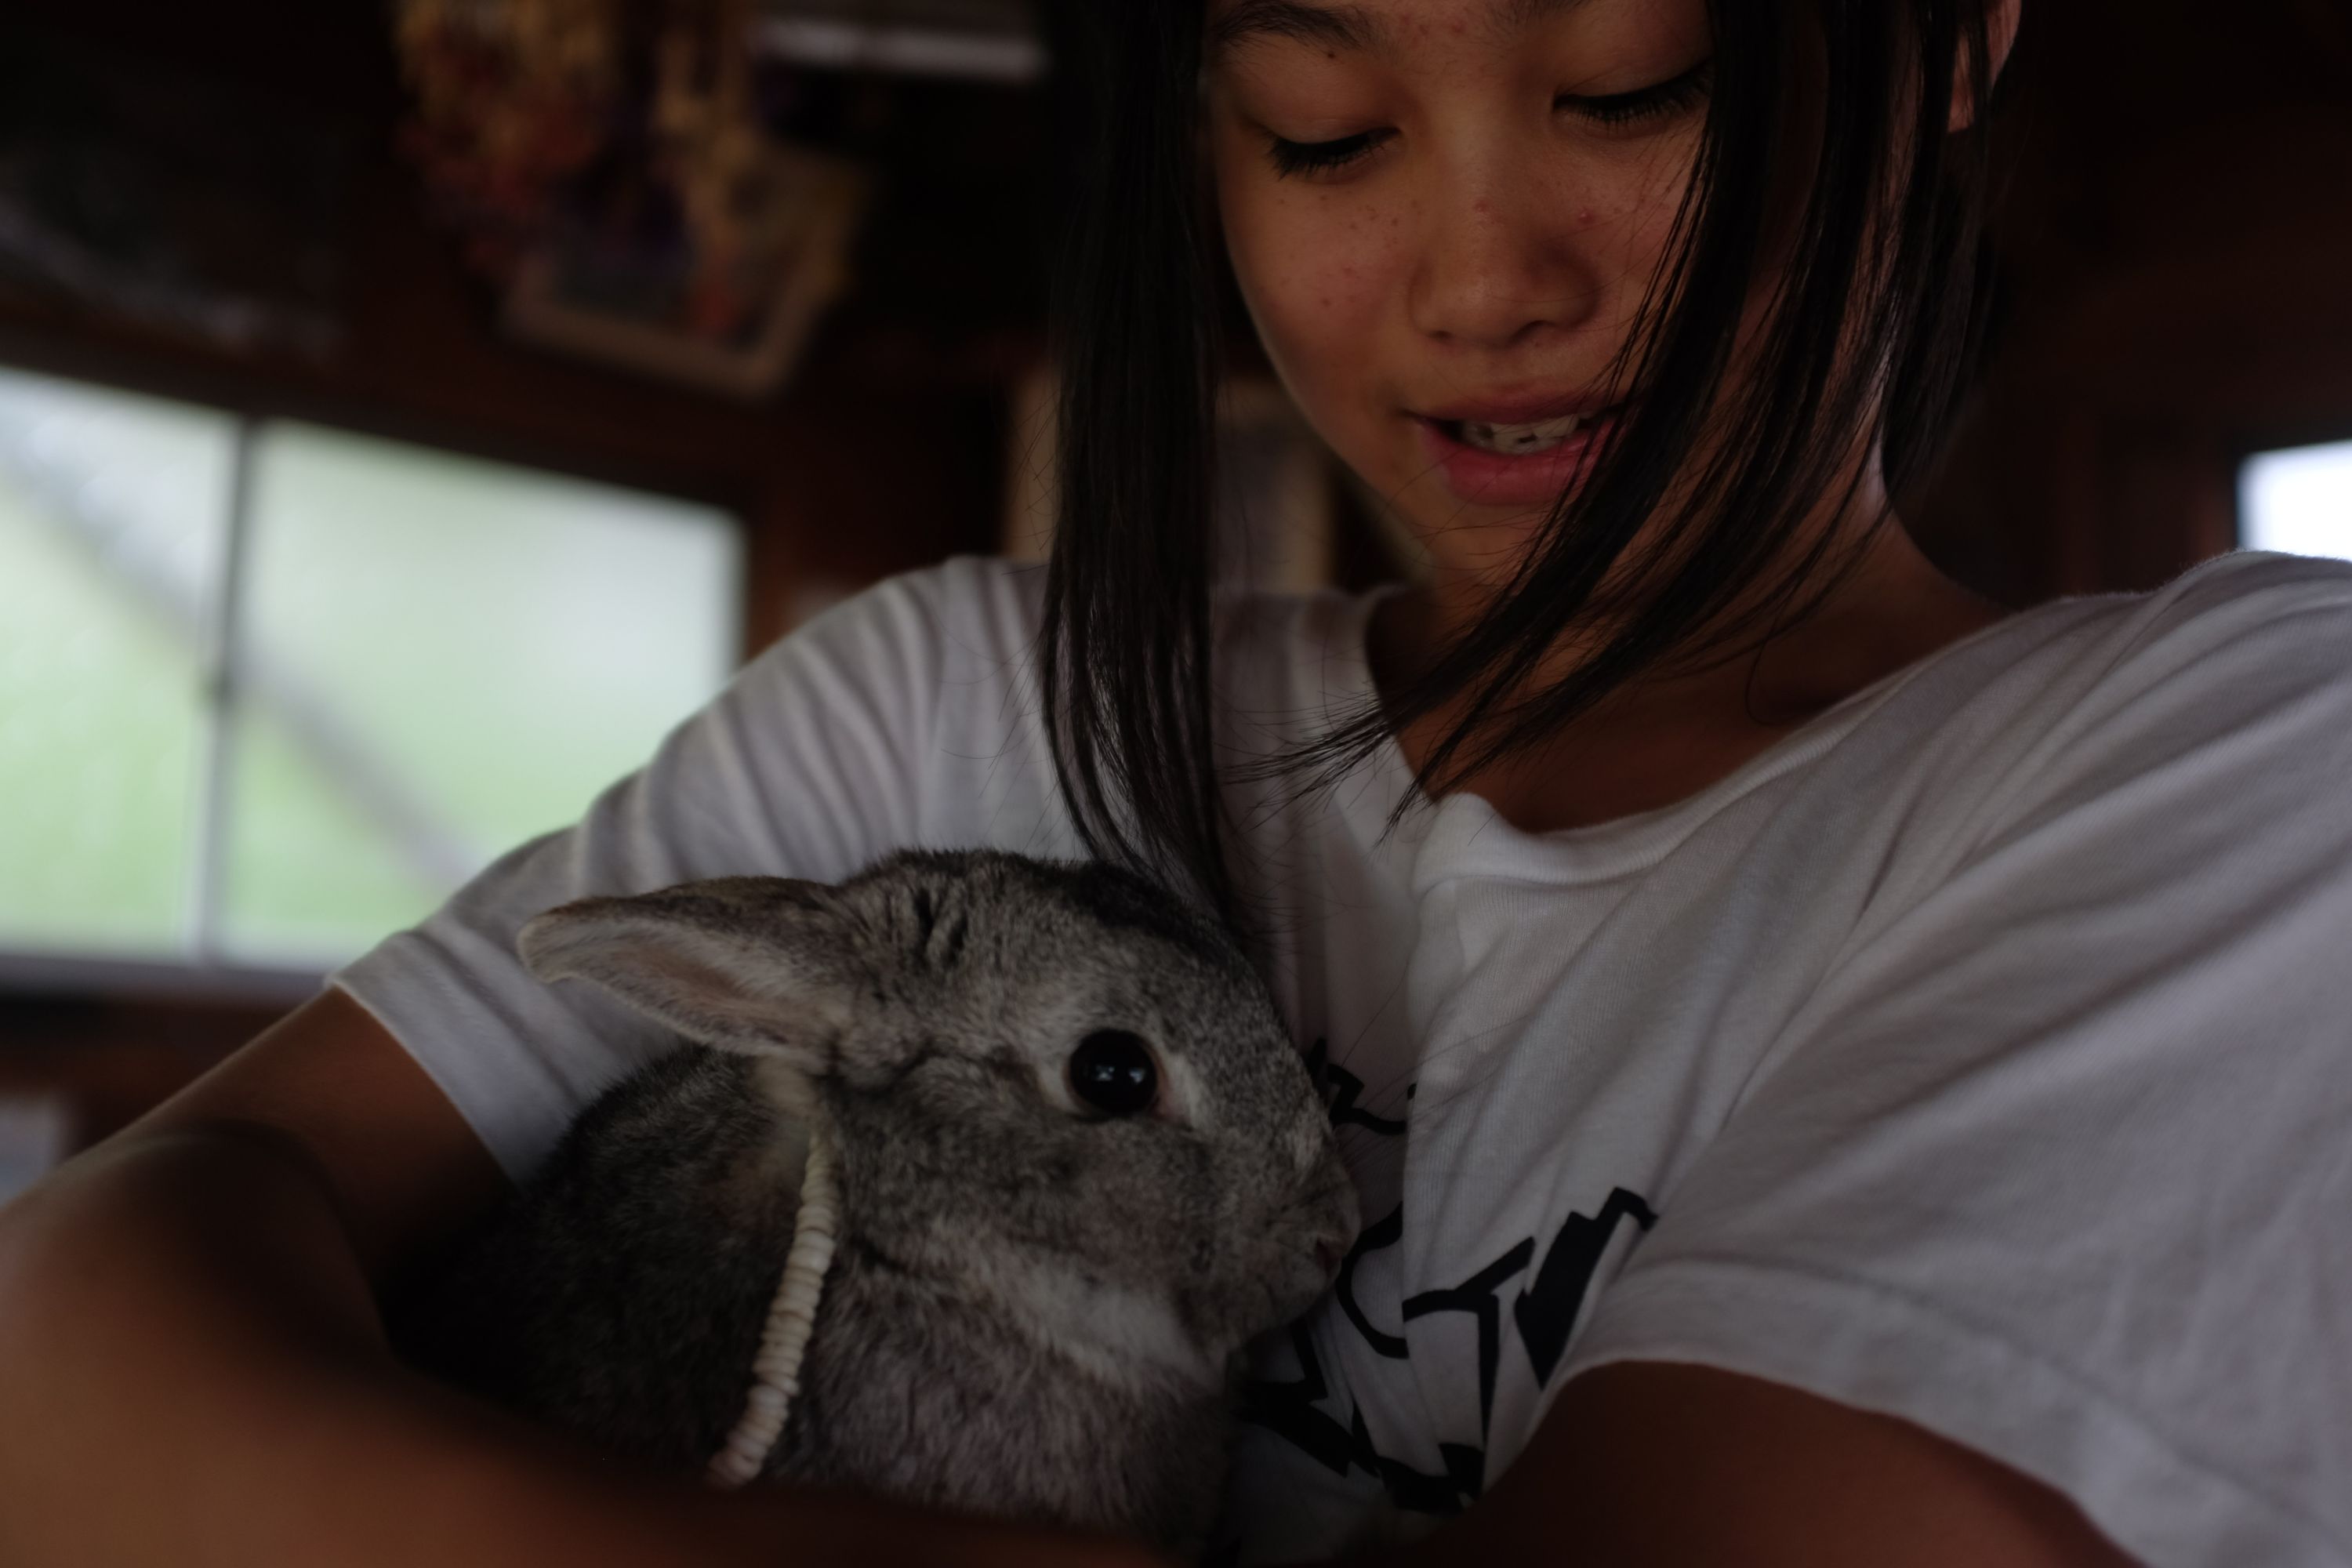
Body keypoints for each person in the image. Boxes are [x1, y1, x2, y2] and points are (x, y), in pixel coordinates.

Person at [3, 0, 2347, 1563]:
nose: (1477, 278)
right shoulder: (944, 713)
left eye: (1636, 83)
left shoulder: (2238, 770)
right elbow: (94, 1290)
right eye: (1323, 126)